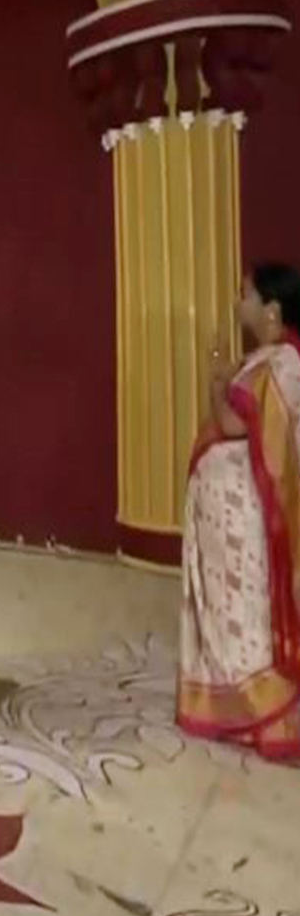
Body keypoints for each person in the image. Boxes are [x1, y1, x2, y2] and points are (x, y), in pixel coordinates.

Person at [178, 264, 300, 761]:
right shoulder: (276, 360)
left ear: (271, 309)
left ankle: (256, 710)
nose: (238, 302)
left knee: (242, 616)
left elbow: (231, 424)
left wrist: (214, 378)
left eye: (245, 294)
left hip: (243, 519)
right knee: (240, 613)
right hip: (238, 516)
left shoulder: (278, 366)